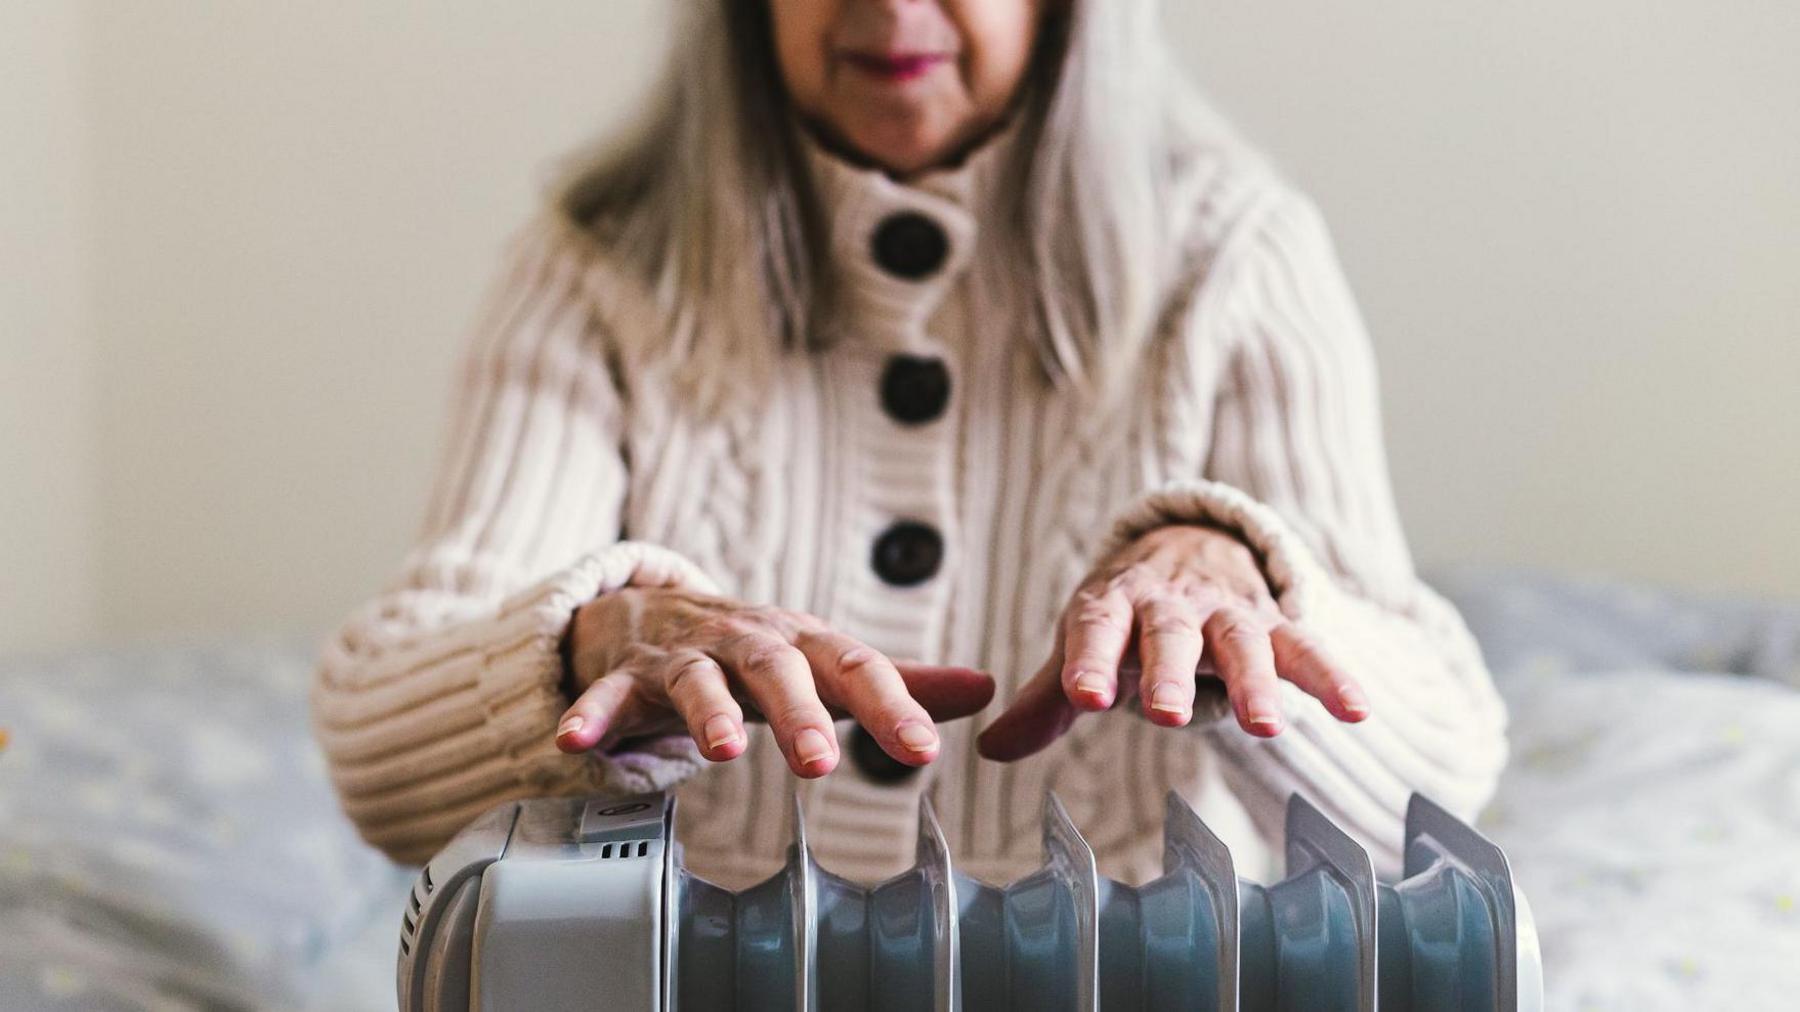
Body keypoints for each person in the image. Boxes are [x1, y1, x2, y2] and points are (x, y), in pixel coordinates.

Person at [311, 0, 1508, 889]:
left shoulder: (1238, 260)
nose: (890, 6)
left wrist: (1248, 592)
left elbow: (1438, 785)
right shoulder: (597, 267)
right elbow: (379, 756)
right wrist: (586, 648)